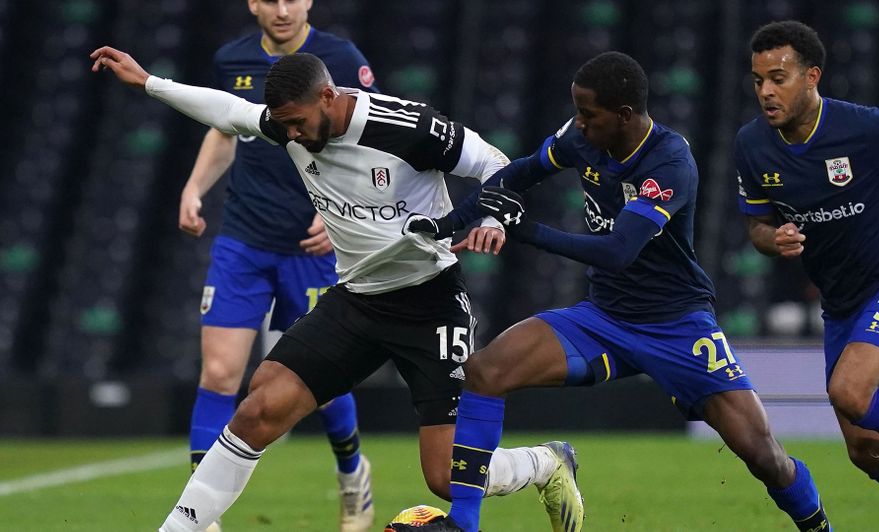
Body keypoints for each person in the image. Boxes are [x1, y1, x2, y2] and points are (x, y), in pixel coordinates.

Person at [90, 46, 583, 532]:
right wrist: (149, 82)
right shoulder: (289, 125)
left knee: (446, 477)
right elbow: (230, 110)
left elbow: (495, 162)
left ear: (328, 96)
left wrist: (495, 215)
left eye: (297, 122)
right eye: (282, 125)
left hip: (429, 303)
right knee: (260, 407)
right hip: (357, 299)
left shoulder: (408, 127)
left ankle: (546, 462)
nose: (290, 134)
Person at [400, 51, 832, 532]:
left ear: (624, 115)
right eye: (577, 112)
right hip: (603, 319)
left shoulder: (669, 161)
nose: (578, 124)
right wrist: (447, 224)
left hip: (677, 326)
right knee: (484, 370)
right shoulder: (580, 139)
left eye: (589, 114)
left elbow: (618, 250)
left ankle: (818, 527)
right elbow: (517, 175)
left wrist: (526, 229)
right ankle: (463, 525)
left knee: (764, 456)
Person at [734, 20, 879, 520]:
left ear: (812, 76)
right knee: (866, 449)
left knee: (849, 391)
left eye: (778, 78)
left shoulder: (867, 129)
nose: (766, 91)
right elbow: (758, 227)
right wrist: (774, 238)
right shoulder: (752, 145)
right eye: (758, 79)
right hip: (843, 305)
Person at [180, 1, 379, 529]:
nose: (283, 8)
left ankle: (353, 474)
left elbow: (372, 140)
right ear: (252, 3)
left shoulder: (341, 57)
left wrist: (338, 209)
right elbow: (224, 130)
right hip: (243, 240)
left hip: (312, 249)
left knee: (321, 384)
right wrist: (195, 188)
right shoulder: (232, 60)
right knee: (220, 374)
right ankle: (202, 516)